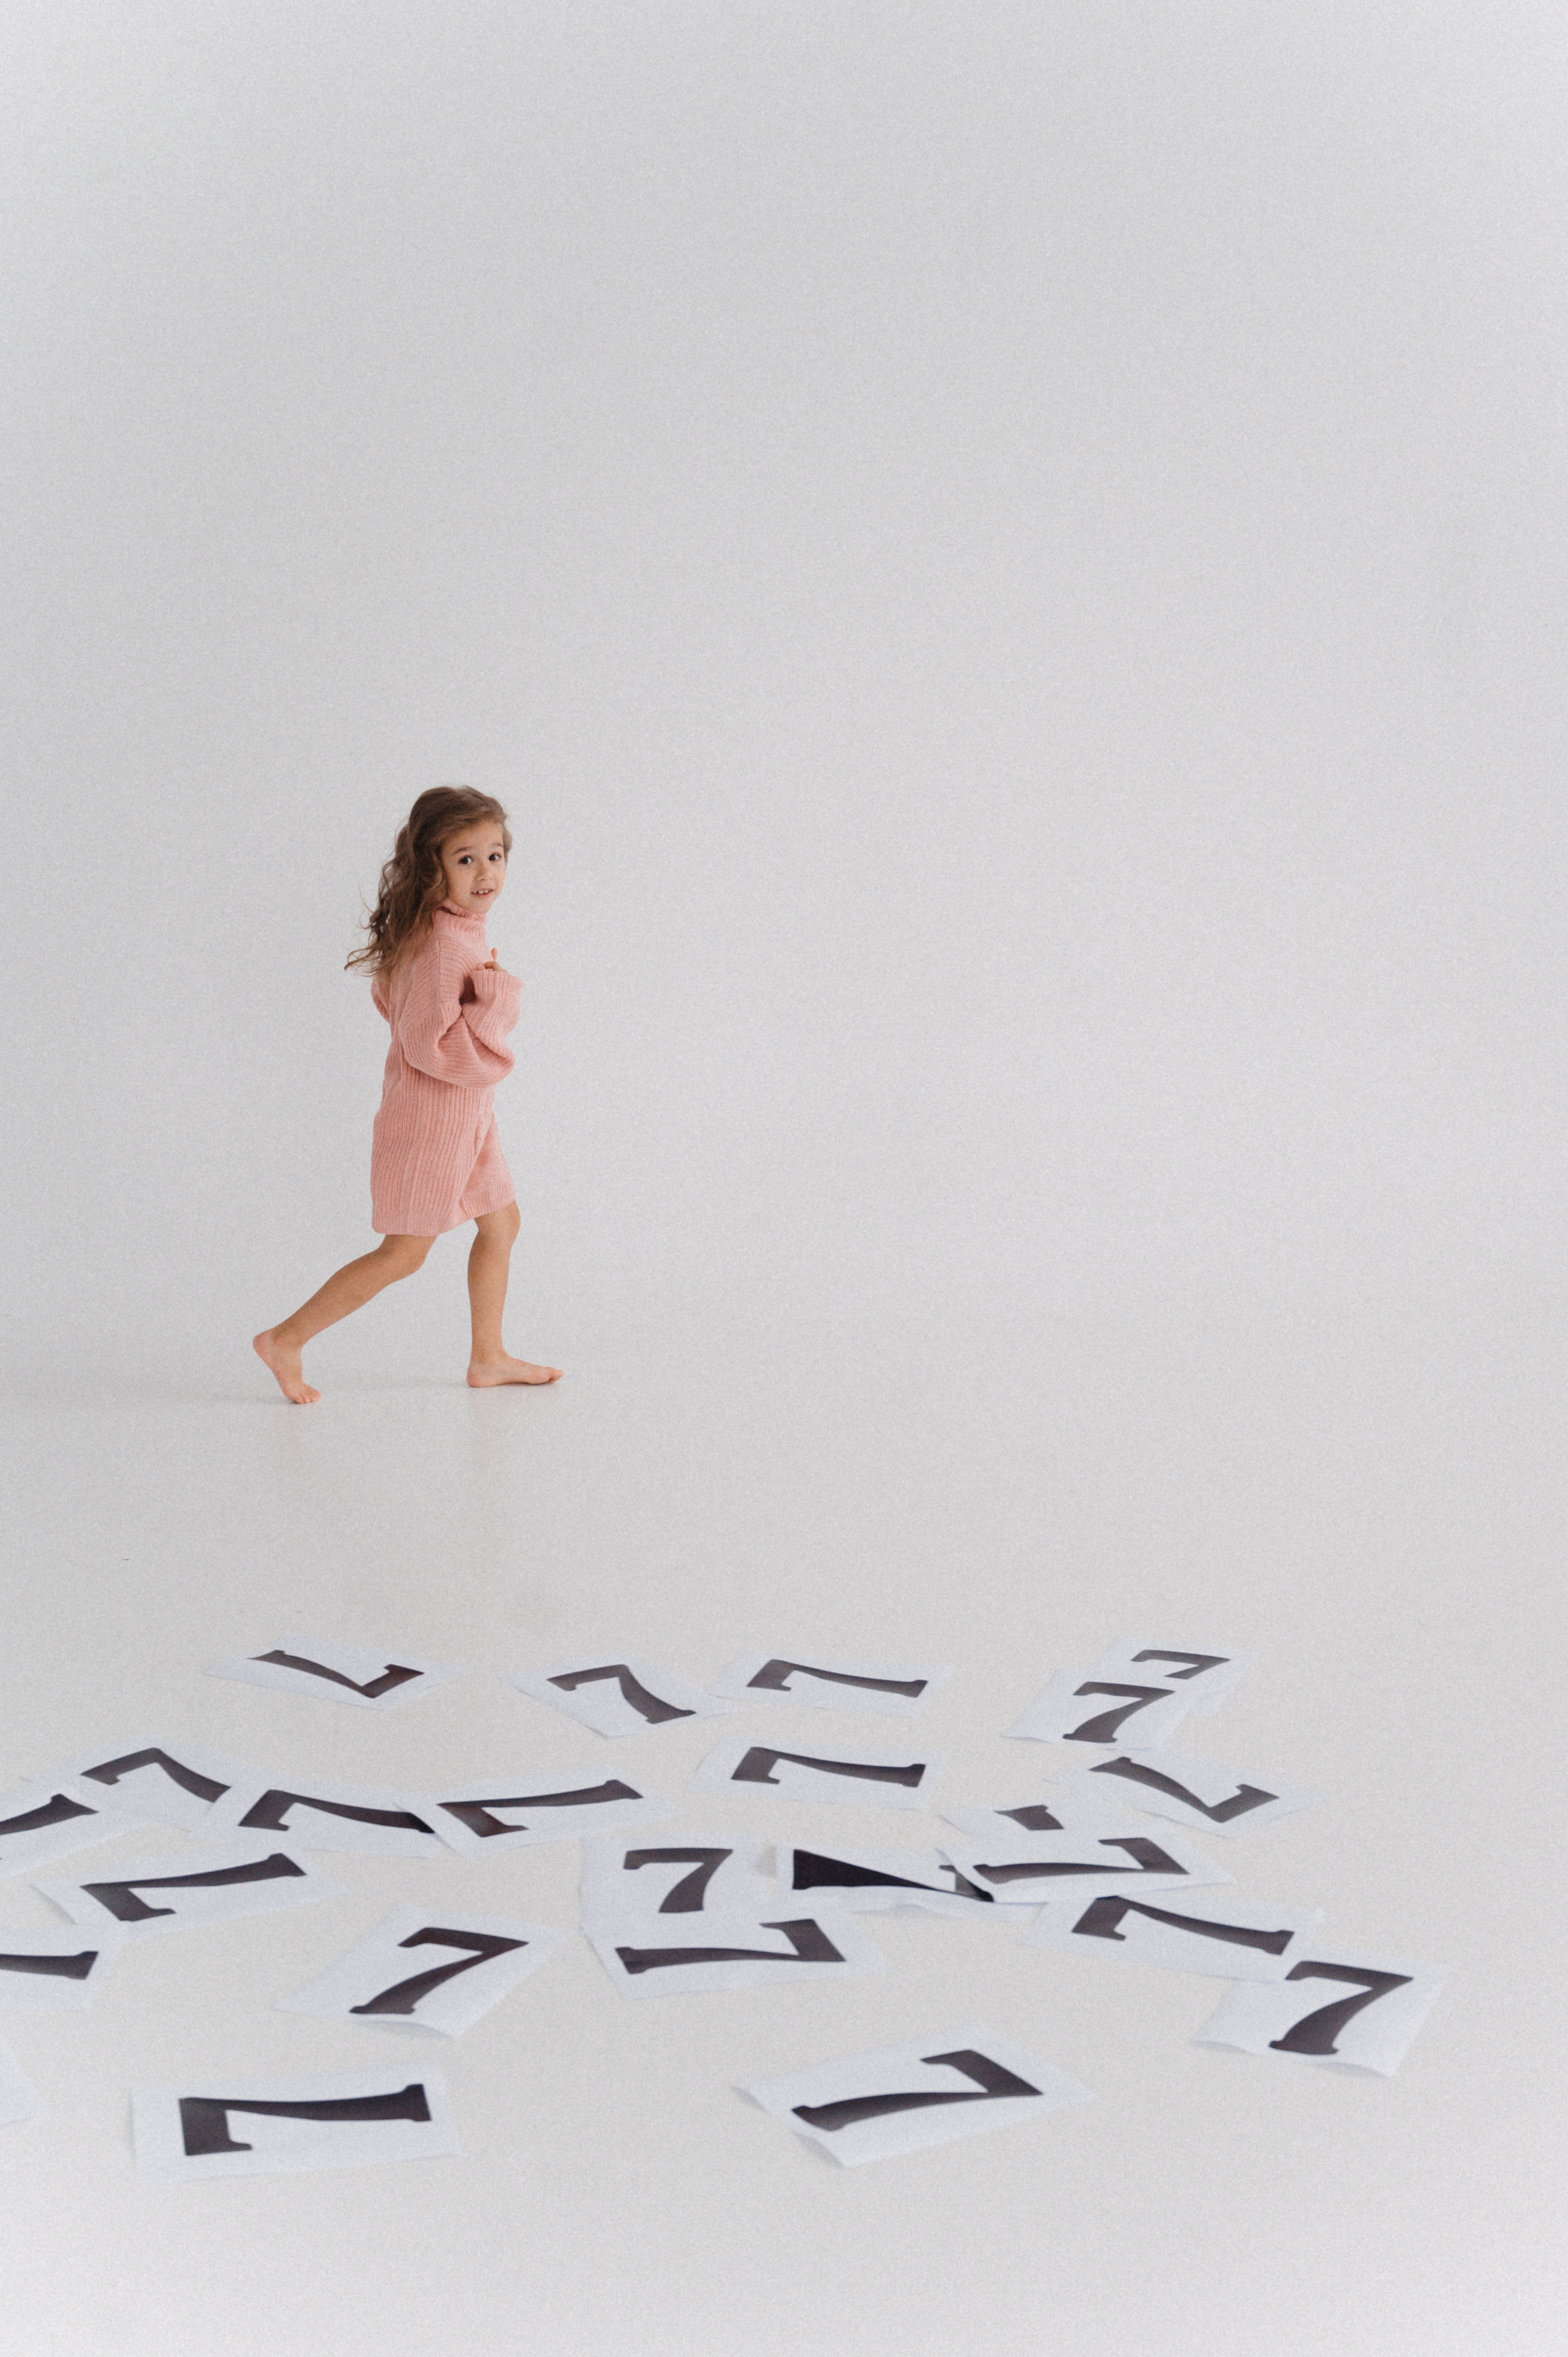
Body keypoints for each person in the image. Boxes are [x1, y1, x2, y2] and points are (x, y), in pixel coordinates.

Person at [254, 787, 562, 1404]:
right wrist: (497, 1001)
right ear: (432, 865)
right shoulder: (445, 944)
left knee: (502, 1224)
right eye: (465, 858)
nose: (485, 873)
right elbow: (431, 1046)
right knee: (403, 1254)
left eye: (495, 855)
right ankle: (286, 1338)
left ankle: (488, 1356)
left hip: (469, 1115)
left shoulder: (453, 930)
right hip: (432, 1120)